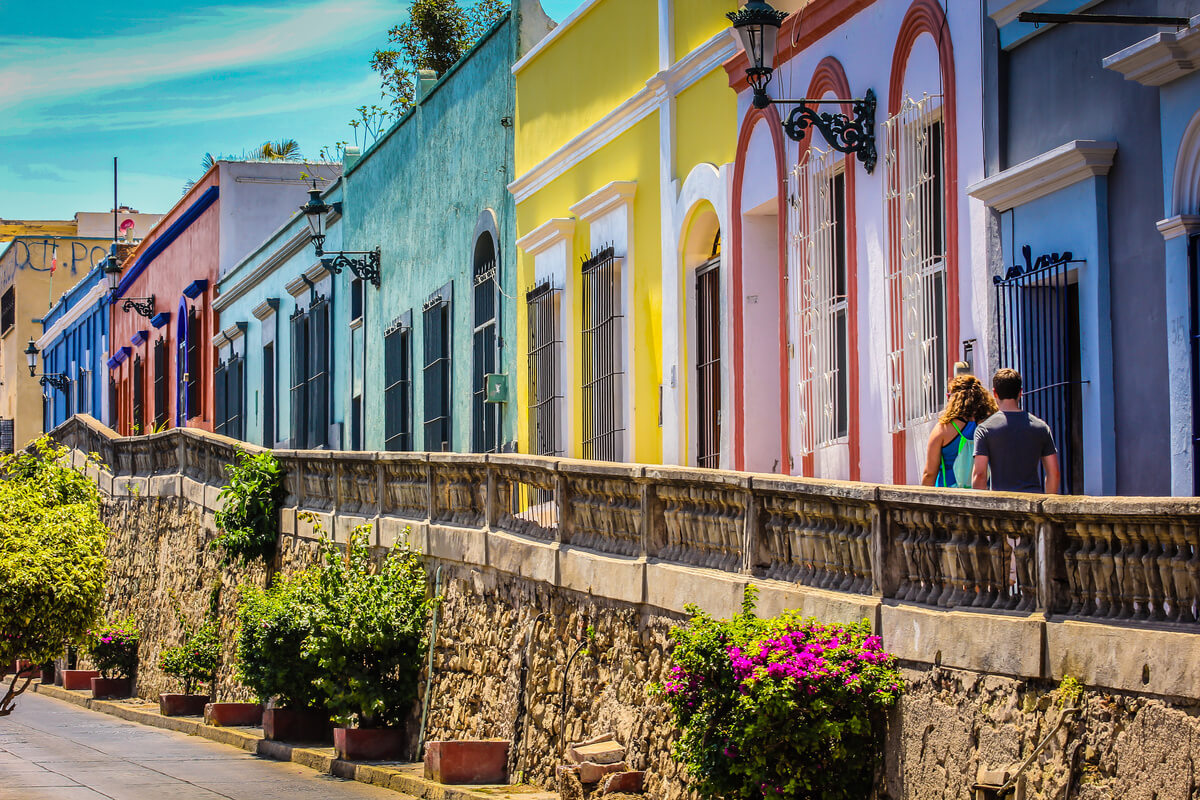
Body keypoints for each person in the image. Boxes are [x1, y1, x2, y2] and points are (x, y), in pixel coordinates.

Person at [971, 368, 1060, 494]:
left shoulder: (984, 430)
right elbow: (1054, 473)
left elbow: (980, 474)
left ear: (995, 393)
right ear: (1020, 392)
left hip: (1000, 505)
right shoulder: (1041, 427)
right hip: (1032, 503)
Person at [921, 374, 998, 488]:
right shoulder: (990, 424)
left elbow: (929, 474)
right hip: (984, 493)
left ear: (953, 399)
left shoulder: (943, 429)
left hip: (949, 495)